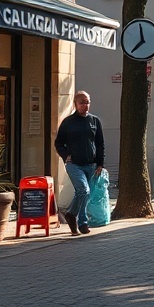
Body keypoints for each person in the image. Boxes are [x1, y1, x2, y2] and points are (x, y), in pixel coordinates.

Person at [54, 90, 105, 235]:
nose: (85, 105)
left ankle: (82, 223)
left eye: (87, 102)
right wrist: (65, 155)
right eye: (82, 102)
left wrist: (100, 163)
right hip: (74, 164)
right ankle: (71, 214)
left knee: (83, 195)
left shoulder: (95, 121)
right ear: (76, 104)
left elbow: (100, 143)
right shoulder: (68, 122)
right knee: (84, 190)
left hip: (91, 164)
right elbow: (59, 143)